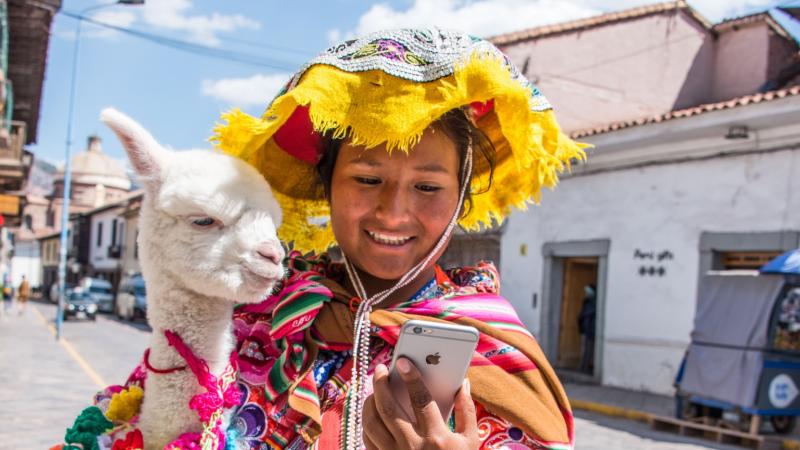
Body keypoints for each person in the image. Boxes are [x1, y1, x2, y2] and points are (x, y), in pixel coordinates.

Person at [55, 28, 587, 450]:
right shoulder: (252, 324)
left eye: (427, 187)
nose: (393, 212)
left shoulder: (497, 355)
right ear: (326, 185)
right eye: (367, 179)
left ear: (460, 199)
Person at [578, 284, 597, 374]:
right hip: (585, 329)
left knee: (588, 350)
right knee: (585, 349)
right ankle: (583, 367)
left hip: (590, 330)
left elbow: (585, 315)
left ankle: (585, 367)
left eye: (588, 292)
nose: (586, 294)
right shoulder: (586, 302)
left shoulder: (593, 304)